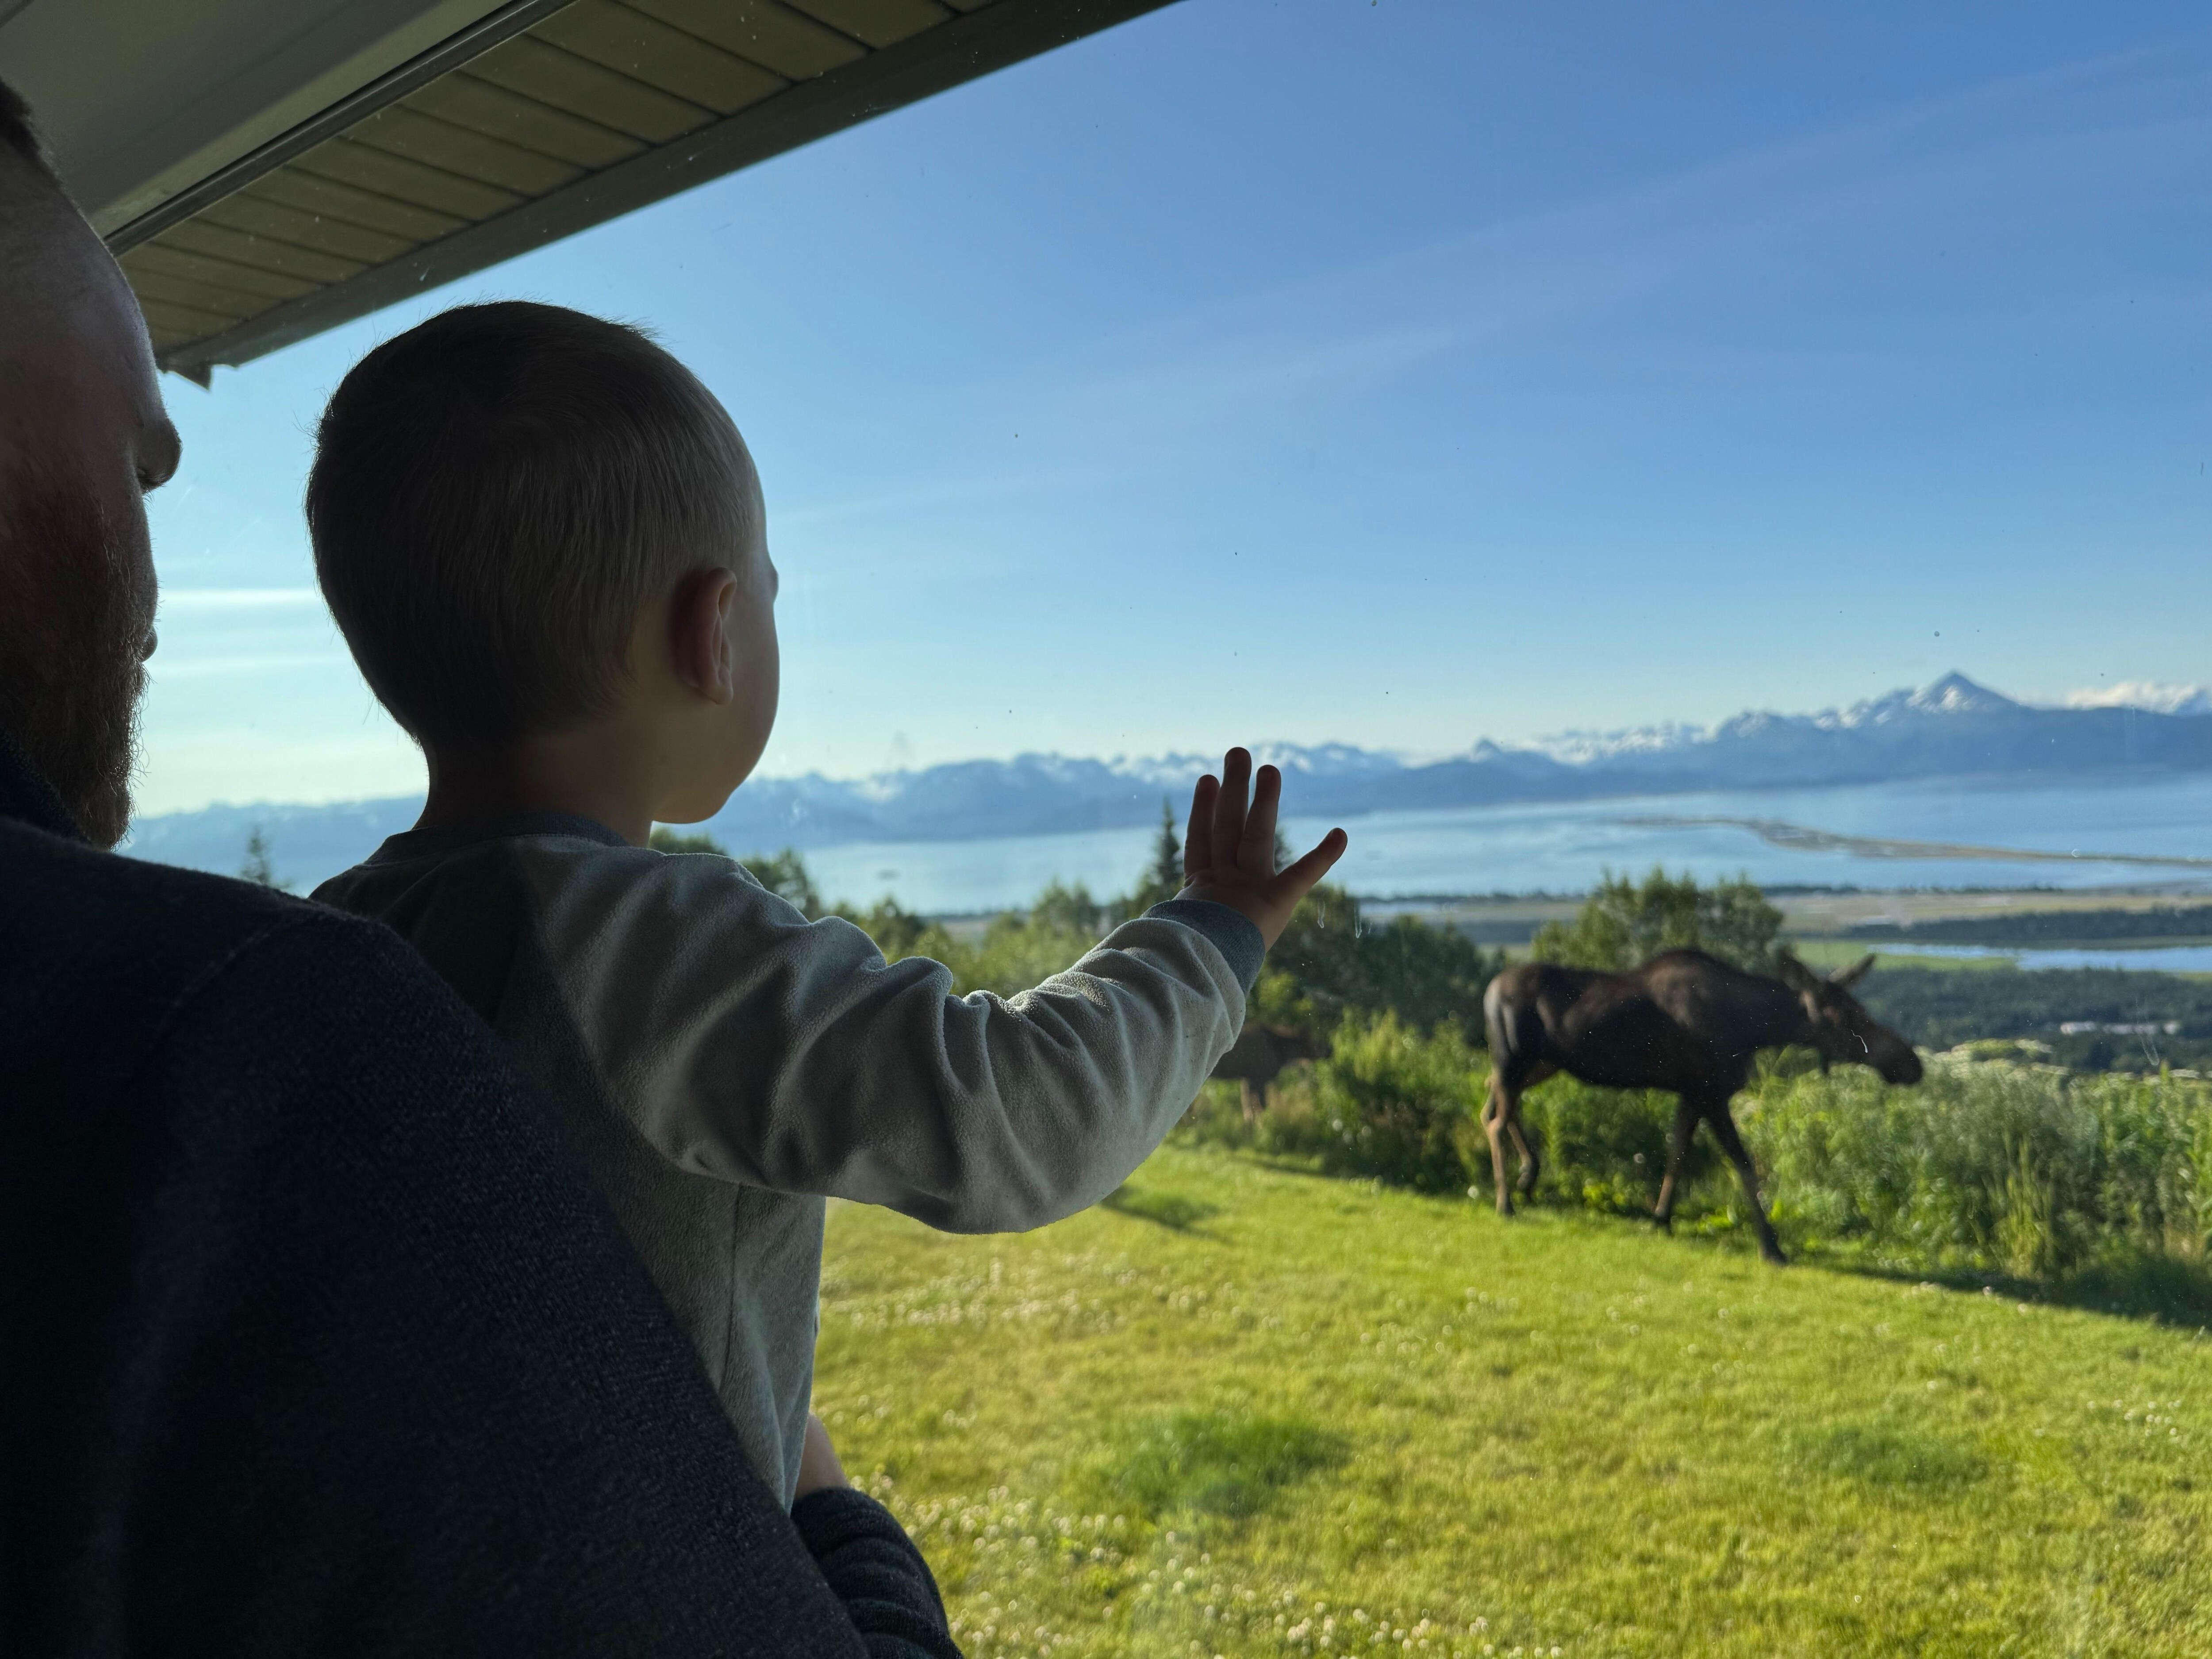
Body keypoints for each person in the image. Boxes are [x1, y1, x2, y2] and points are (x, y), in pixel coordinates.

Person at [0, 77, 957, 1657]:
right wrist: (834, 1515)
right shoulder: (239, 1051)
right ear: (713, 630)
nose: (155, 501)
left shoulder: (356, 936)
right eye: (134, 453)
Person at [305, 302, 1350, 1505]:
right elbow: (1025, 1116)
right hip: (669, 1579)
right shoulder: (652, 953)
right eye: (771, 594)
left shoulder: (328, 941)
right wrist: (1215, 929)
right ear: (713, 635)